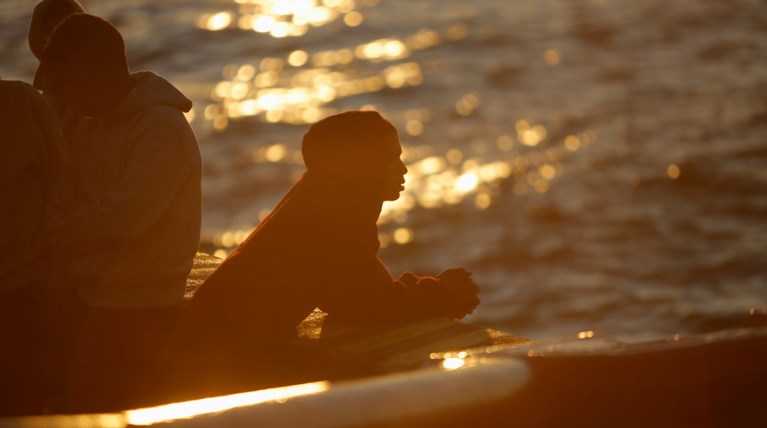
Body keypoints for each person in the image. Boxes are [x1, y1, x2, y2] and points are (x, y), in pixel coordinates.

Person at [172, 110, 479, 390]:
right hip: (216, 363)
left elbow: (355, 292)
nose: (403, 169)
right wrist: (440, 294)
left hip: (209, 346)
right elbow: (372, 304)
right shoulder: (337, 214)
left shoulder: (317, 196)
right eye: (390, 158)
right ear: (363, 166)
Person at [37, 13, 202, 412]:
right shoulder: (87, 124)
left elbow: (122, 222)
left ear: (109, 69)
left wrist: (70, 233)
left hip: (144, 309)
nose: (68, 96)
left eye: (76, 84)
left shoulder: (160, 129)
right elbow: (61, 206)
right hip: (92, 296)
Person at [0, 79, 67, 415]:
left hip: (27, 283)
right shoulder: (21, 101)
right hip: (28, 280)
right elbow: (63, 181)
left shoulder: (21, 102)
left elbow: (62, 186)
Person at [28, 0, 86, 144]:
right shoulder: (37, 102)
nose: (61, 40)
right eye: (51, 32)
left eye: (69, 31)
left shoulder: (94, 93)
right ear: (37, 38)